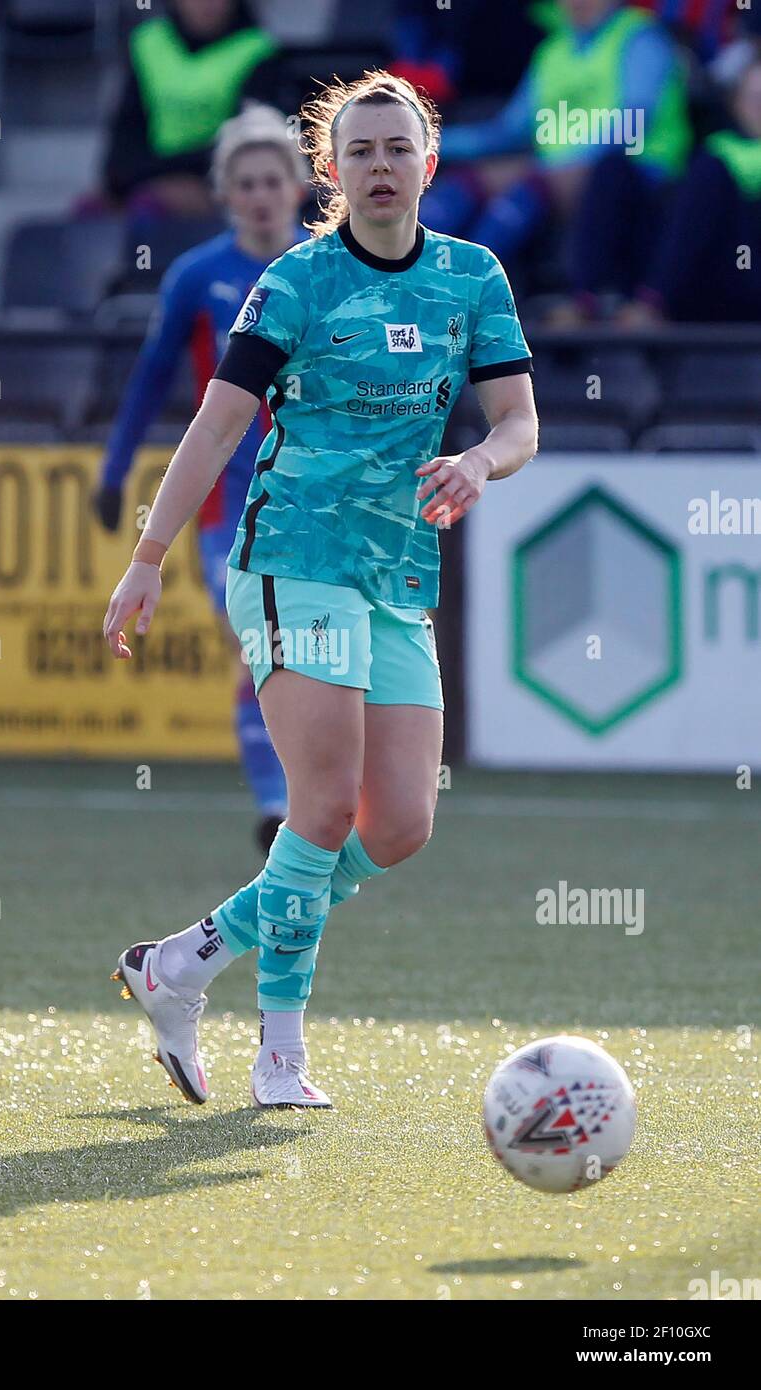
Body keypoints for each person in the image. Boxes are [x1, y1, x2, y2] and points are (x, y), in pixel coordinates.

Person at [104, 71, 538, 1110]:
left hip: (396, 573)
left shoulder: (474, 276)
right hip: (291, 558)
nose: (381, 167)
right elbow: (214, 426)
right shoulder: (294, 282)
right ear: (330, 170)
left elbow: (519, 421)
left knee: (397, 827)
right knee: (325, 805)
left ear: (429, 164)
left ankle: (178, 965)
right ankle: (281, 1054)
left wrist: (481, 462)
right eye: (361, 152)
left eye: (399, 149)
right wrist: (150, 556)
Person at [94, 105, 310, 849]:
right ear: (225, 192)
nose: (259, 195)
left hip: (317, 504)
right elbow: (149, 382)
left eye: (271, 180)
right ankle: (278, 803)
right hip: (229, 506)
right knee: (260, 641)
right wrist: (114, 472)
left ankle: (313, 798)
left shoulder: (327, 269)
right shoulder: (196, 277)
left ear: (299, 184)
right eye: (244, 182)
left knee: (313, 656)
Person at [427, 0, 691, 317]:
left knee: (524, 190)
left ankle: (464, 299)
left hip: (635, 172)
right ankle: (409, 283)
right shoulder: (553, 50)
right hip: (552, 171)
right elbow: (509, 129)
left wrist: (560, 164)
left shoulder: (641, 38)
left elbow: (632, 123)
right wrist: (429, 143)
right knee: (466, 185)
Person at [98, 0, 286, 219]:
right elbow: (124, 138)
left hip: (217, 184)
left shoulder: (257, 51)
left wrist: (203, 182)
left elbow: (252, 145)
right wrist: (155, 180)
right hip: (149, 180)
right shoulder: (148, 43)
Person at [619, 54, 761, 324]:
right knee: (615, 171)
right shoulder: (719, 151)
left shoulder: (718, 162)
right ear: (736, 104)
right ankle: (599, 300)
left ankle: (653, 300)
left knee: (711, 173)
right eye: (754, 99)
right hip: (715, 283)